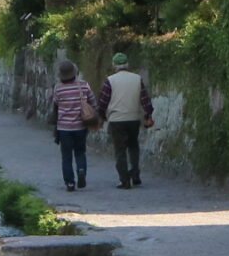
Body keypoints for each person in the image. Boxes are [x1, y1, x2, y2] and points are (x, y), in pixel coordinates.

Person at [47, 59, 103, 189]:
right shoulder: (83, 85)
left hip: (64, 128)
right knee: (80, 151)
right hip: (81, 126)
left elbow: (55, 104)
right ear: (74, 72)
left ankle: (70, 182)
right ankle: (81, 170)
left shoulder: (58, 88)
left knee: (66, 156)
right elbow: (93, 103)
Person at [102, 51, 153, 189]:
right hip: (133, 118)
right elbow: (145, 99)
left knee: (120, 150)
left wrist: (101, 116)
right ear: (127, 64)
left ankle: (124, 180)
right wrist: (148, 115)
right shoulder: (137, 79)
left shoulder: (110, 80)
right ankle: (135, 174)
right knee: (133, 146)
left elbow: (103, 101)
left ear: (114, 65)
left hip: (116, 120)